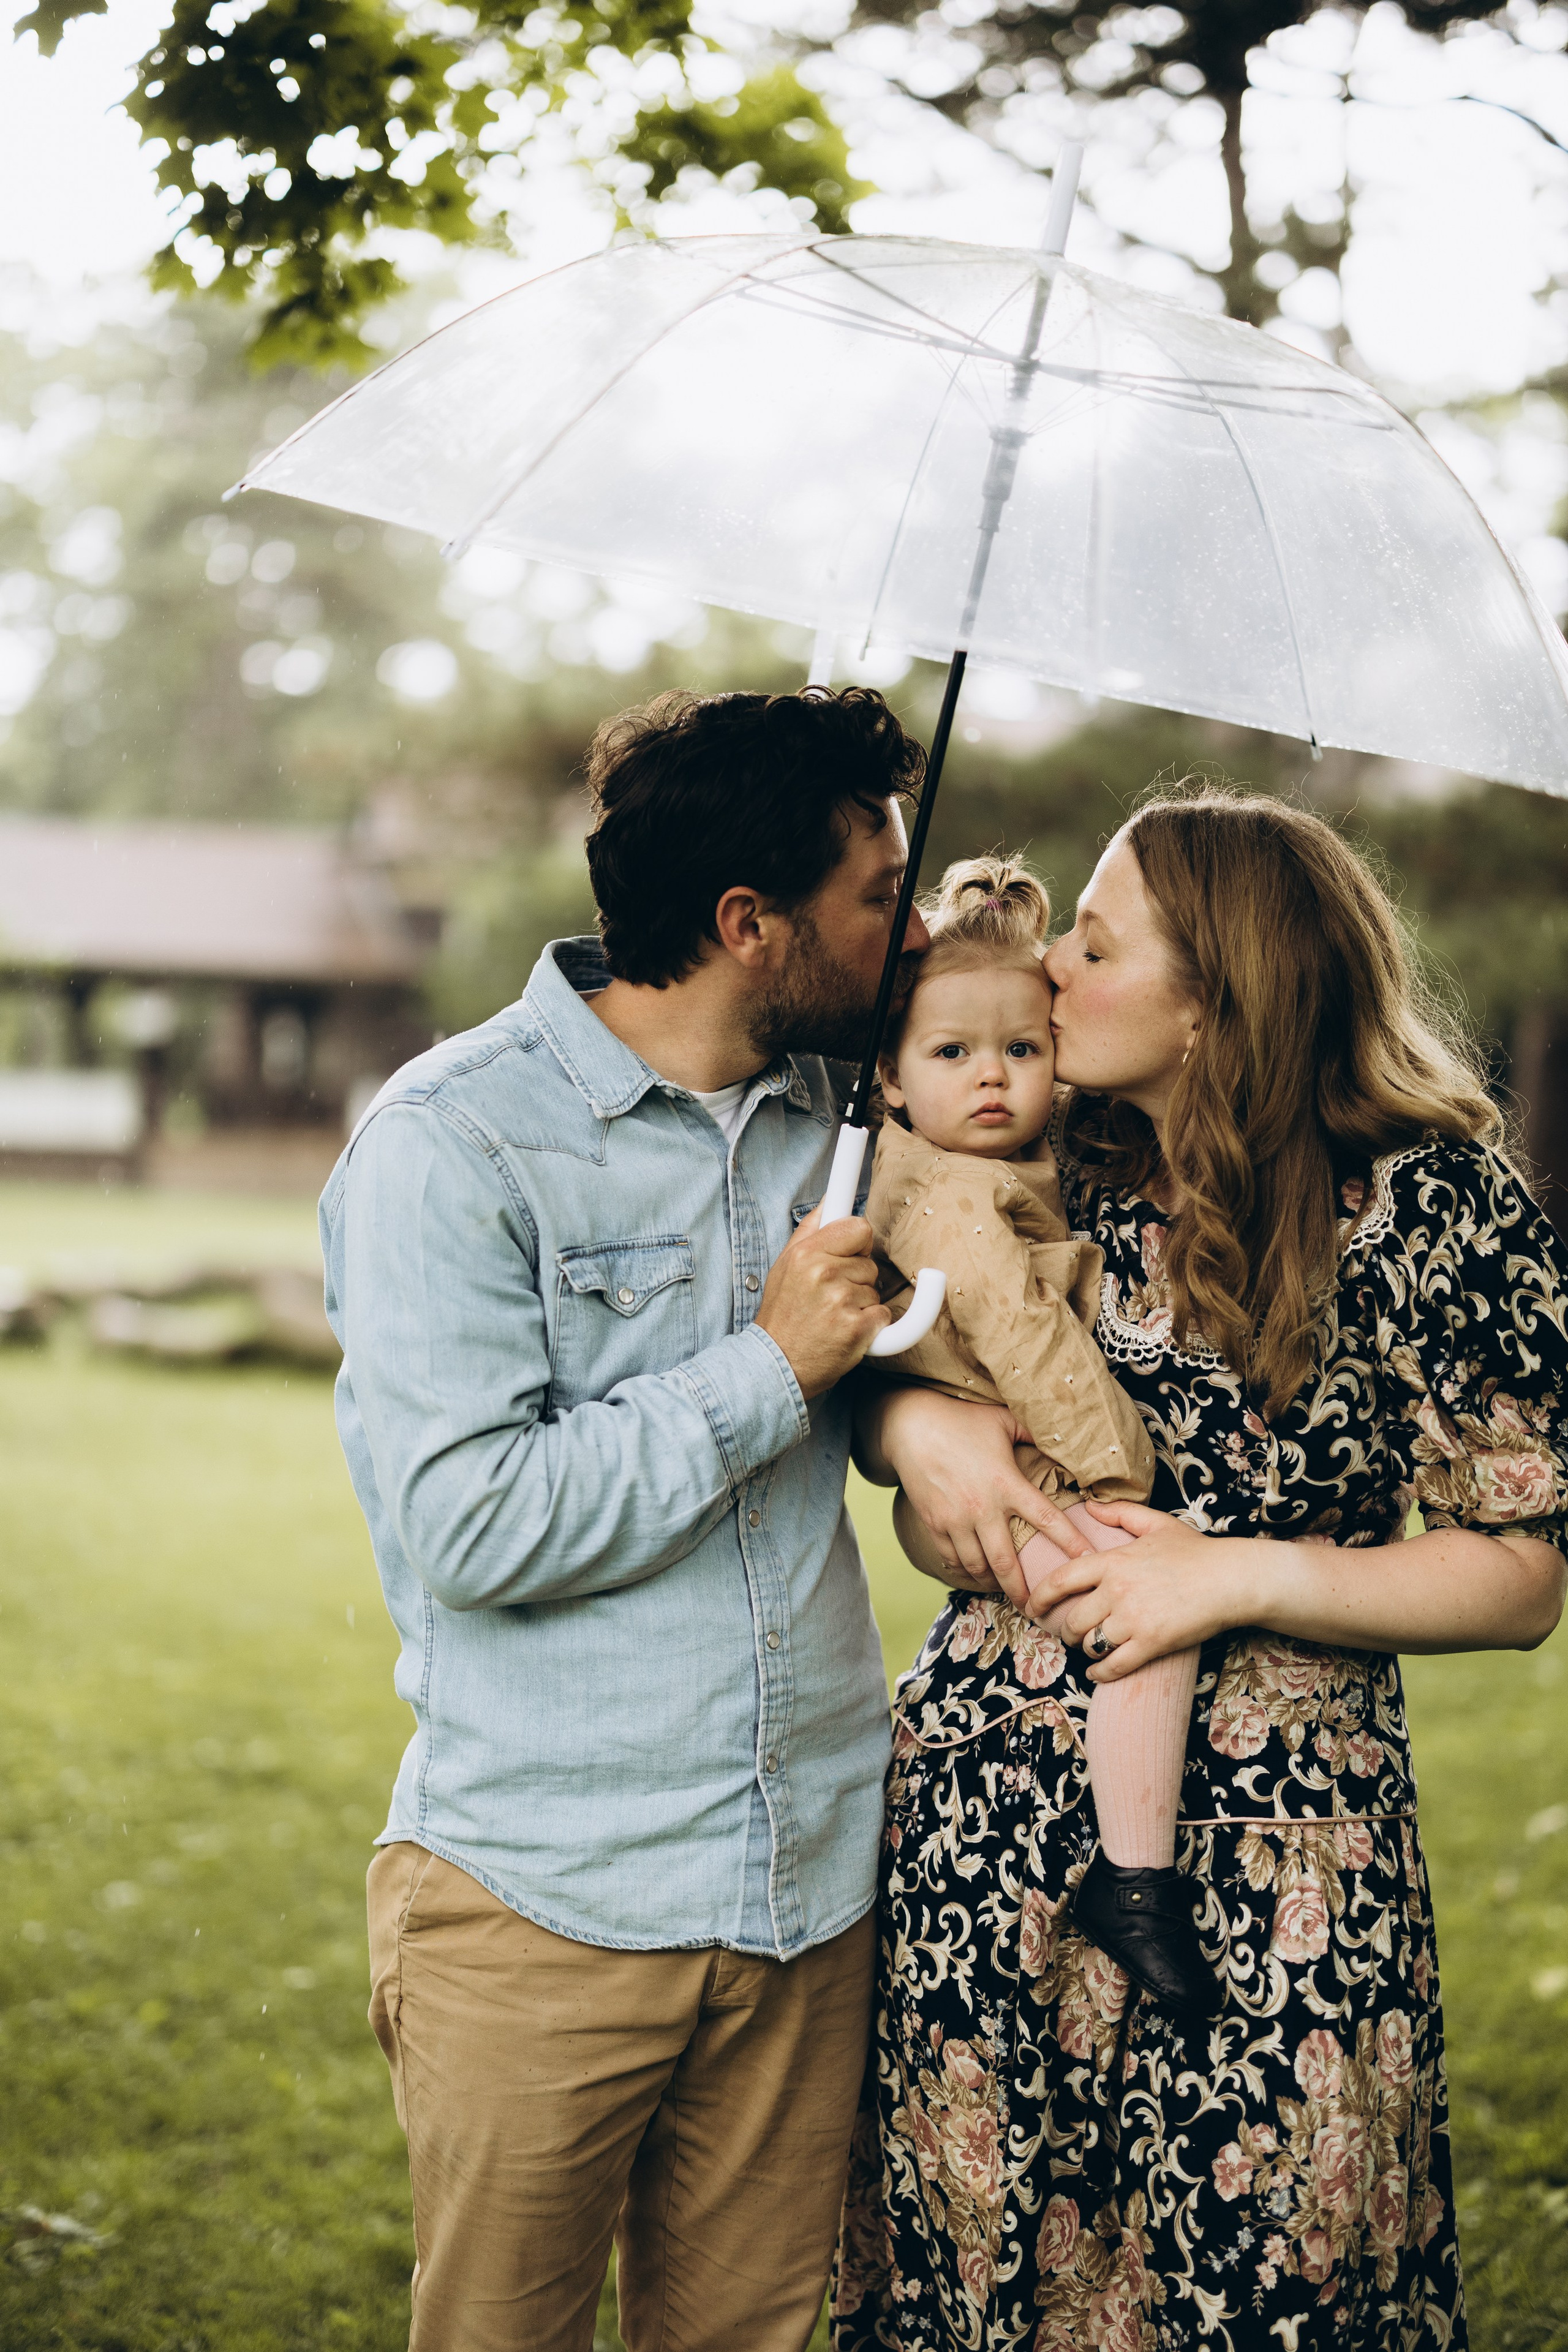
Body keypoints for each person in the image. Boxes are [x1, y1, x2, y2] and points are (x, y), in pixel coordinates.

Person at [835, 788, 1568, 2352]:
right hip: (987, 1832)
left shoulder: (1428, 1202)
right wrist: (912, 1434)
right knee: (982, 2289)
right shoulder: (1057, 1157)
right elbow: (931, 1445)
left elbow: (1518, 1573)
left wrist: (1230, 1575)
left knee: (1257, 2290)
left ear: (1210, 997)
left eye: (1093, 949)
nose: (1047, 984)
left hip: (1277, 1867)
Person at [321, 684, 983, 2352]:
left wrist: (915, 1419)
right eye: (876, 896)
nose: (911, 935)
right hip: (548, 1900)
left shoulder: (844, 1130)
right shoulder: (452, 1144)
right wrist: (772, 1365)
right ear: (748, 925)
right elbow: (472, 1525)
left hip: (808, 1892)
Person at [865, 853, 1215, 2016]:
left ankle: (1131, 1866)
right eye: (953, 1055)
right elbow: (1031, 1346)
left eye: (1024, 1049)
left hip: (1006, 1480)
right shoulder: (959, 1199)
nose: (996, 1080)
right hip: (1037, 1470)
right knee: (1144, 1613)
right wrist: (1124, 1469)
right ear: (890, 1078)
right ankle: (1138, 1872)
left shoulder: (1017, 1163)